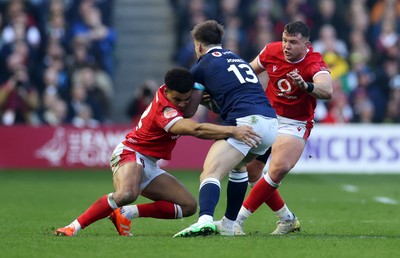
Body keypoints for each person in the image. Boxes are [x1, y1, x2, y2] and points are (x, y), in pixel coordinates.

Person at [54, 67, 261, 237]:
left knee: (188, 206)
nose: (181, 103)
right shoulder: (165, 110)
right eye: (177, 99)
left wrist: (199, 87)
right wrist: (232, 130)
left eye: (185, 99)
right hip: (130, 152)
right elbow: (196, 129)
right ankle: (72, 227)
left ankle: (125, 213)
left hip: (150, 163)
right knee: (127, 193)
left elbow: (188, 109)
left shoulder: (177, 92)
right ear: (167, 91)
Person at [173, 20, 278, 238]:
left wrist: (195, 100)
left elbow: (190, 111)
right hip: (270, 122)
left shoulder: (201, 66)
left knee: (210, 172)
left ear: (199, 45)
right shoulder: (236, 58)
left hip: (246, 121)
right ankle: (229, 225)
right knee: (238, 168)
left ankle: (204, 220)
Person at [234, 20, 333, 235]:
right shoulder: (271, 51)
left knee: (278, 169)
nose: (287, 46)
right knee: (252, 171)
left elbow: (327, 90)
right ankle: (287, 219)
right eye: (285, 40)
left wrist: (306, 86)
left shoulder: (313, 62)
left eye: (293, 42)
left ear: (306, 45)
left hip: (295, 123)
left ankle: (236, 220)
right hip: (268, 117)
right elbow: (248, 73)